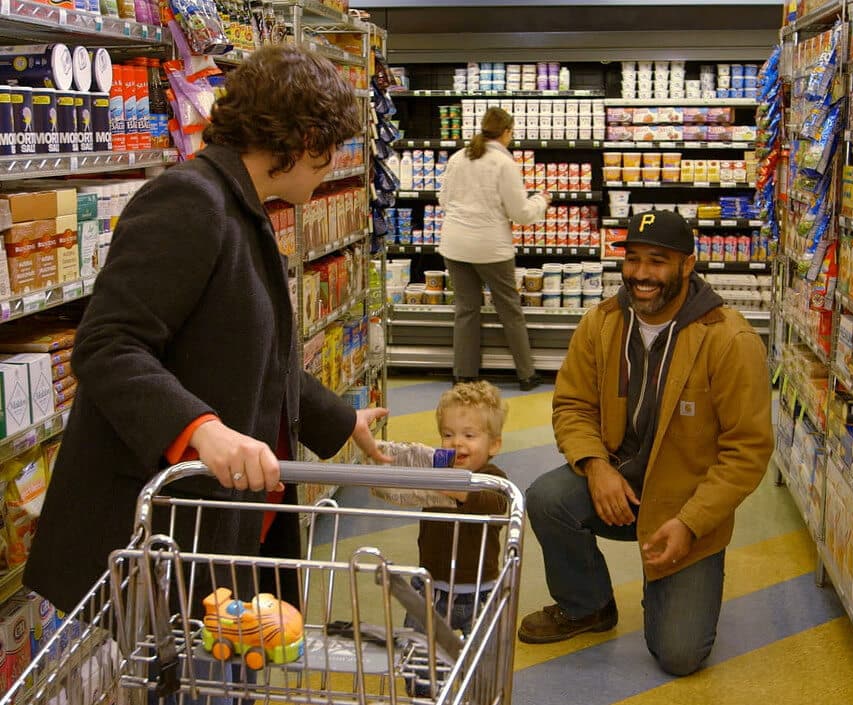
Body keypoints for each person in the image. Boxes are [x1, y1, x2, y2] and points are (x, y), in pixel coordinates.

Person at [24, 45, 391, 618]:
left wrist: (341, 421)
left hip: (224, 519)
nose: (332, 163)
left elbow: (252, 353)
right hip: (170, 530)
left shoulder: (241, 203)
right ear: (300, 141)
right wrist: (199, 429)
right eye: (332, 147)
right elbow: (107, 343)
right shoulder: (189, 200)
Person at [518, 210, 773, 677]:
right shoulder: (603, 322)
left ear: (687, 264)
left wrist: (692, 524)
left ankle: (679, 582)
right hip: (619, 486)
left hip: (685, 506)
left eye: (657, 261)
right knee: (547, 497)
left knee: (679, 655)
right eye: (633, 259)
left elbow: (748, 450)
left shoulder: (729, 339)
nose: (640, 274)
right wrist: (596, 465)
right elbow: (572, 404)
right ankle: (587, 604)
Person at [404, 380, 509, 696]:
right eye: (447, 434)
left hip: (480, 594)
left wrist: (447, 484)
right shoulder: (437, 474)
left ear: (493, 445)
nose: (455, 443)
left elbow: (495, 505)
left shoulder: (495, 480)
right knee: (417, 665)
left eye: (469, 435)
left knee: (483, 671)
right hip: (430, 590)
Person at [437, 107, 551, 391]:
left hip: (454, 243)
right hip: (491, 247)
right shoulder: (504, 164)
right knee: (509, 309)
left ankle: (463, 375)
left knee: (466, 309)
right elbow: (522, 213)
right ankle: (526, 374)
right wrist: (542, 201)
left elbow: (443, 200)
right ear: (506, 132)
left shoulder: (458, 157)